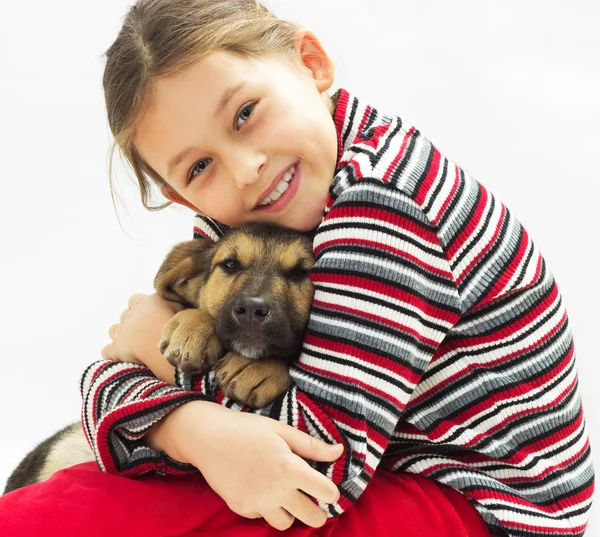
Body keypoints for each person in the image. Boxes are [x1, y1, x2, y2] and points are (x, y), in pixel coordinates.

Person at [81, 0, 594, 535]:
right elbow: (102, 384)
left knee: (55, 517)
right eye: (200, 166)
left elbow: (313, 468)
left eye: (245, 114)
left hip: (484, 509)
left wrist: (164, 378)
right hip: (381, 471)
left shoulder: (385, 202)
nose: (245, 169)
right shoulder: (241, 216)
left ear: (312, 64)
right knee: (69, 496)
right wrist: (183, 422)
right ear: (183, 196)